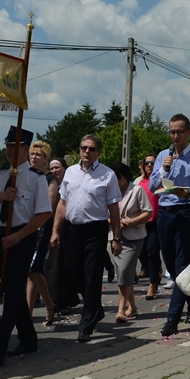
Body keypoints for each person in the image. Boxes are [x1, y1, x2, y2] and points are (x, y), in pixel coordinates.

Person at [0, 127, 52, 365]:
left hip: (23, 236)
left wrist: (19, 236)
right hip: (2, 235)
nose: (9, 150)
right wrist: (3, 196)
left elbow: (43, 214)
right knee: (12, 288)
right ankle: (28, 338)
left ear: (25, 149)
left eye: (14, 146)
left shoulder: (35, 177)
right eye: (8, 146)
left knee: (11, 290)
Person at [51, 134, 122, 343]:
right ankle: (96, 308)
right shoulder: (71, 172)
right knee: (73, 274)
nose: (87, 152)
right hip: (72, 230)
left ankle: (86, 324)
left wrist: (116, 237)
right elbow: (62, 203)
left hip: (95, 230)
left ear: (98, 152)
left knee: (92, 277)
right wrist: (55, 231)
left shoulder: (107, 175)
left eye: (91, 149)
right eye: (84, 148)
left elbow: (113, 209)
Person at [149, 114, 190, 336]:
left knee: (182, 264)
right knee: (171, 266)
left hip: (185, 212)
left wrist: (188, 194)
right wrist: (164, 170)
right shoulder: (163, 156)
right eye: (172, 132)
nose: (175, 136)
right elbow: (153, 186)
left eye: (179, 132)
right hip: (165, 213)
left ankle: (172, 319)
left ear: (189, 133)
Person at [108, 162, 152, 322]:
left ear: (125, 177)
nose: (115, 182)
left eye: (118, 178)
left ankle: (121, 310)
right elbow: (103, 212)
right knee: (123, 273)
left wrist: (131, 222)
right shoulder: (109, 191)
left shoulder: (137, 190)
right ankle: (132, 307)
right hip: (115, 237)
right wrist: (113, 221)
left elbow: (148, 212)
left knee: (125, 270)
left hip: (134, 237)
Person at [26, 140, 58, 325]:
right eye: (32, 154)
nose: (34, 157)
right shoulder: (27, 176)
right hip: (25, 227)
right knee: (34, 271)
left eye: (38, 155)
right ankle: (50, 305)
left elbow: (48, 207)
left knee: (32, 270)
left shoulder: (50, 179)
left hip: (41, 228)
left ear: (45, 159)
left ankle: (27, 314)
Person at [43, 157, 77, 315]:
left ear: (64, 168)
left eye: (57, 167)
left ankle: (65, 300)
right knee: (52, 266)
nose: (54, 171)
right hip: (52, 228)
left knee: (65, 265)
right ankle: (53, 299)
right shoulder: (49, 185)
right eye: (52, 168)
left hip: (68, 229)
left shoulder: (70, 184)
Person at [134, 153, 162, 300]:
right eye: (147, 163)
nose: (150, 165)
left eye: (152, 163)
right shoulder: (139, 182)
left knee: (152, 251)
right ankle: (154, 270)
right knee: (141, 251)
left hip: (155, 221)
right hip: (141, 221)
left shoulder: (160, 180)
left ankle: (153, 283)